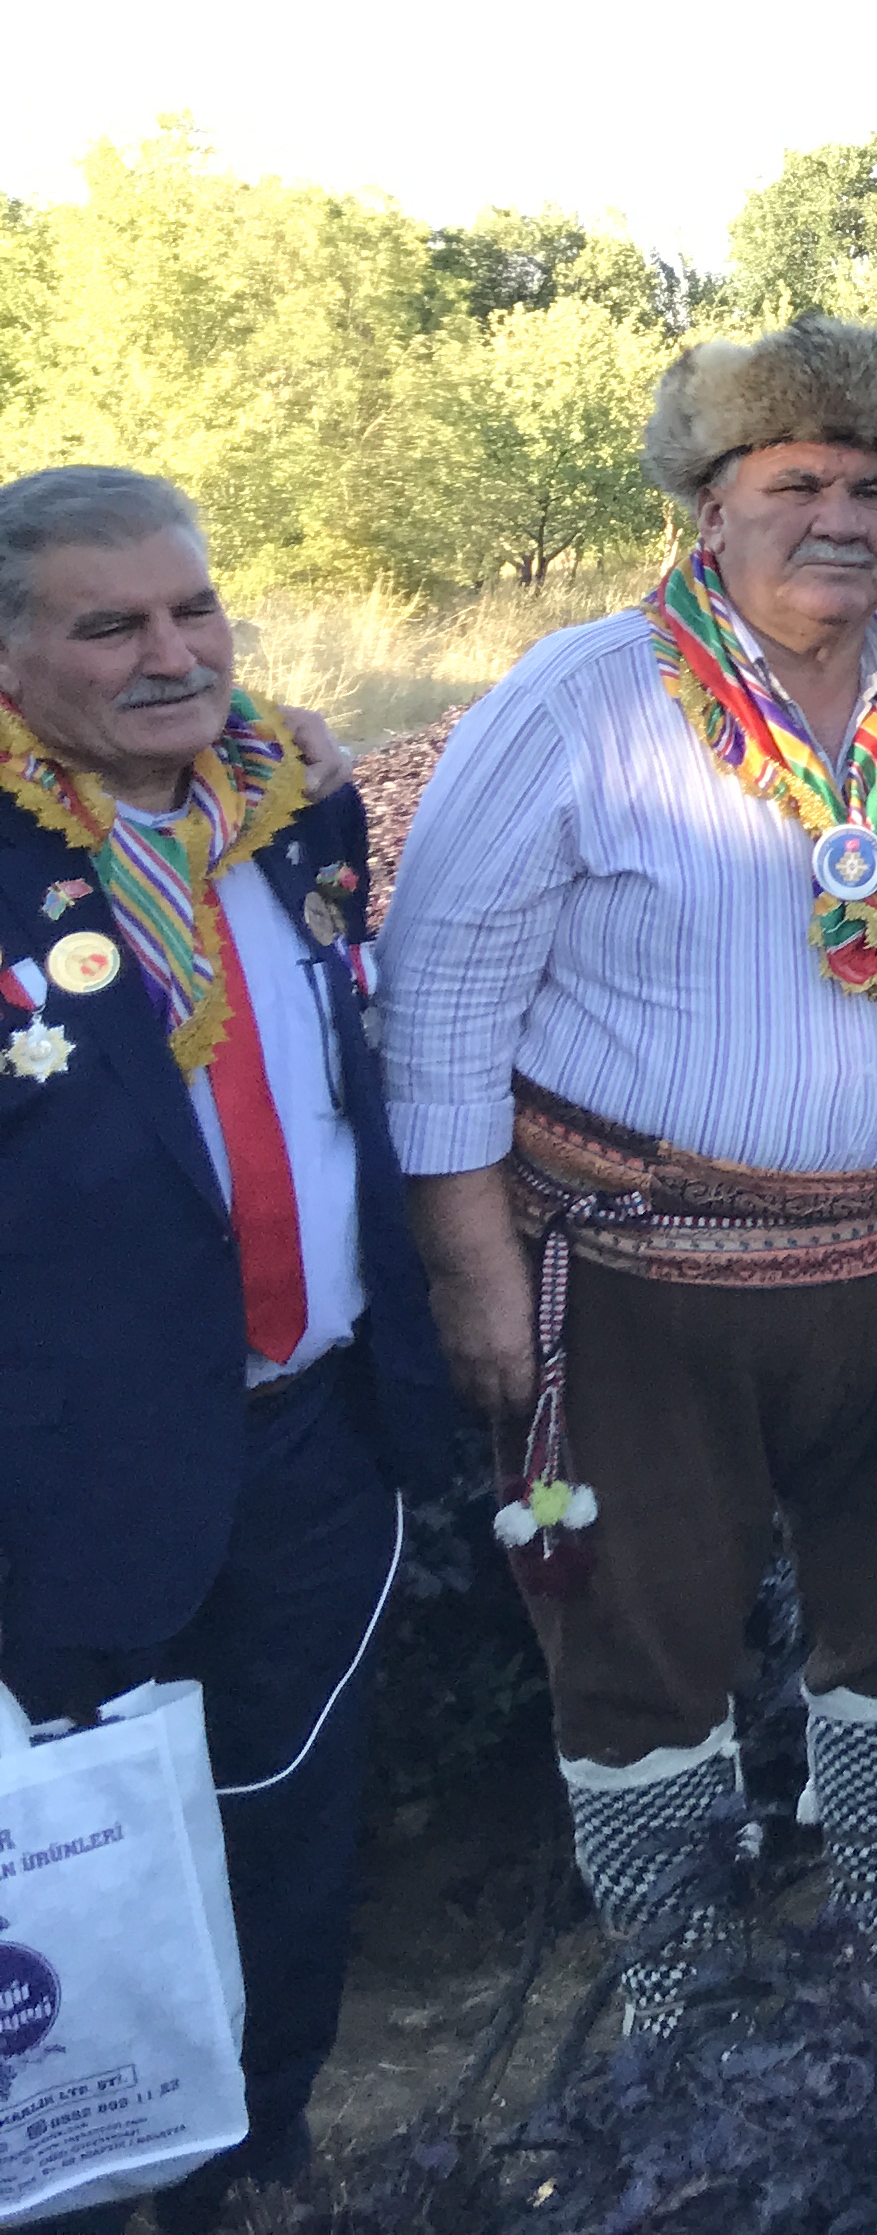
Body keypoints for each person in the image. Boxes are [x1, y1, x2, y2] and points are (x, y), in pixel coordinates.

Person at [384, 316, 877, 2036]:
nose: (842, 512)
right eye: (797, 479)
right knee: (640, 1636)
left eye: (874, 482)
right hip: (637, 1274)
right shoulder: (581, 693)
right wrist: (468, 1268)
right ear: (709, 502)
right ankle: (676, 1987)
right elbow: (444, 985)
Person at [0, 468, 457, 2230]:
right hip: (67, 1463)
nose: (171, 649)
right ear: (17, 650)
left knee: (287, 1821)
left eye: (193, 607)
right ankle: (82, 2172)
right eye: (112, 621)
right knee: (83, 1848)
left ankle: (261, 2154)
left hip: (308, 1434)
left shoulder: (296, 812)